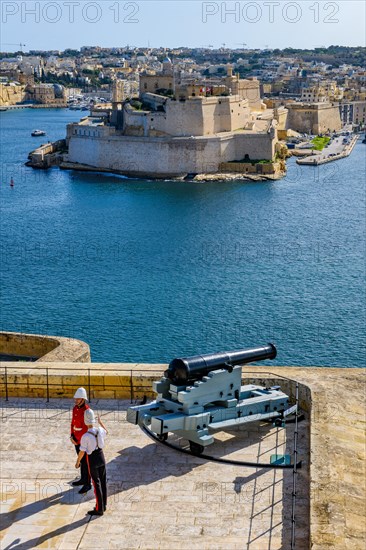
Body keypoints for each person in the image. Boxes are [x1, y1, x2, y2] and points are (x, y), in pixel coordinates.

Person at [75, 409, 108, 516]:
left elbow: (82, 452)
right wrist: (101, 422)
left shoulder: (85, 436)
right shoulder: (100, 430)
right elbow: (106, 431)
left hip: (93, 459)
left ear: (85, 422)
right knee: (103, 482)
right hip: (101, 457)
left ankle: (99, 509)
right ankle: (104, 505)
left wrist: (78, 461)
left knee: (96, 483)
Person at [70, 387, 91, 494]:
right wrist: (71, 436)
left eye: (78, 399)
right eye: (76, 399)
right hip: (76, 440)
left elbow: (86, 428)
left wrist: (79, 440)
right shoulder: (75, 409)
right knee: (82, 461)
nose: (76, 401)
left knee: (86, 462)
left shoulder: (87, 411)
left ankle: (88, 484)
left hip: (83, 442)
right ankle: (83, 479)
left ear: (83, 399)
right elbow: (72, 423)